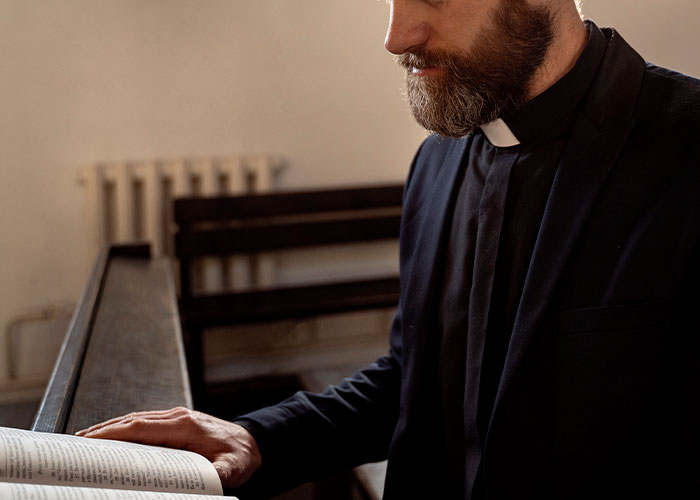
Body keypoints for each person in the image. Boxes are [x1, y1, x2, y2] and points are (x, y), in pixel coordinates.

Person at [77, 0, 700, 498]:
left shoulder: (686, 149)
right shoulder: (437, 161)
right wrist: (260, 438)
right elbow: (418, 375)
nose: (396, 35)